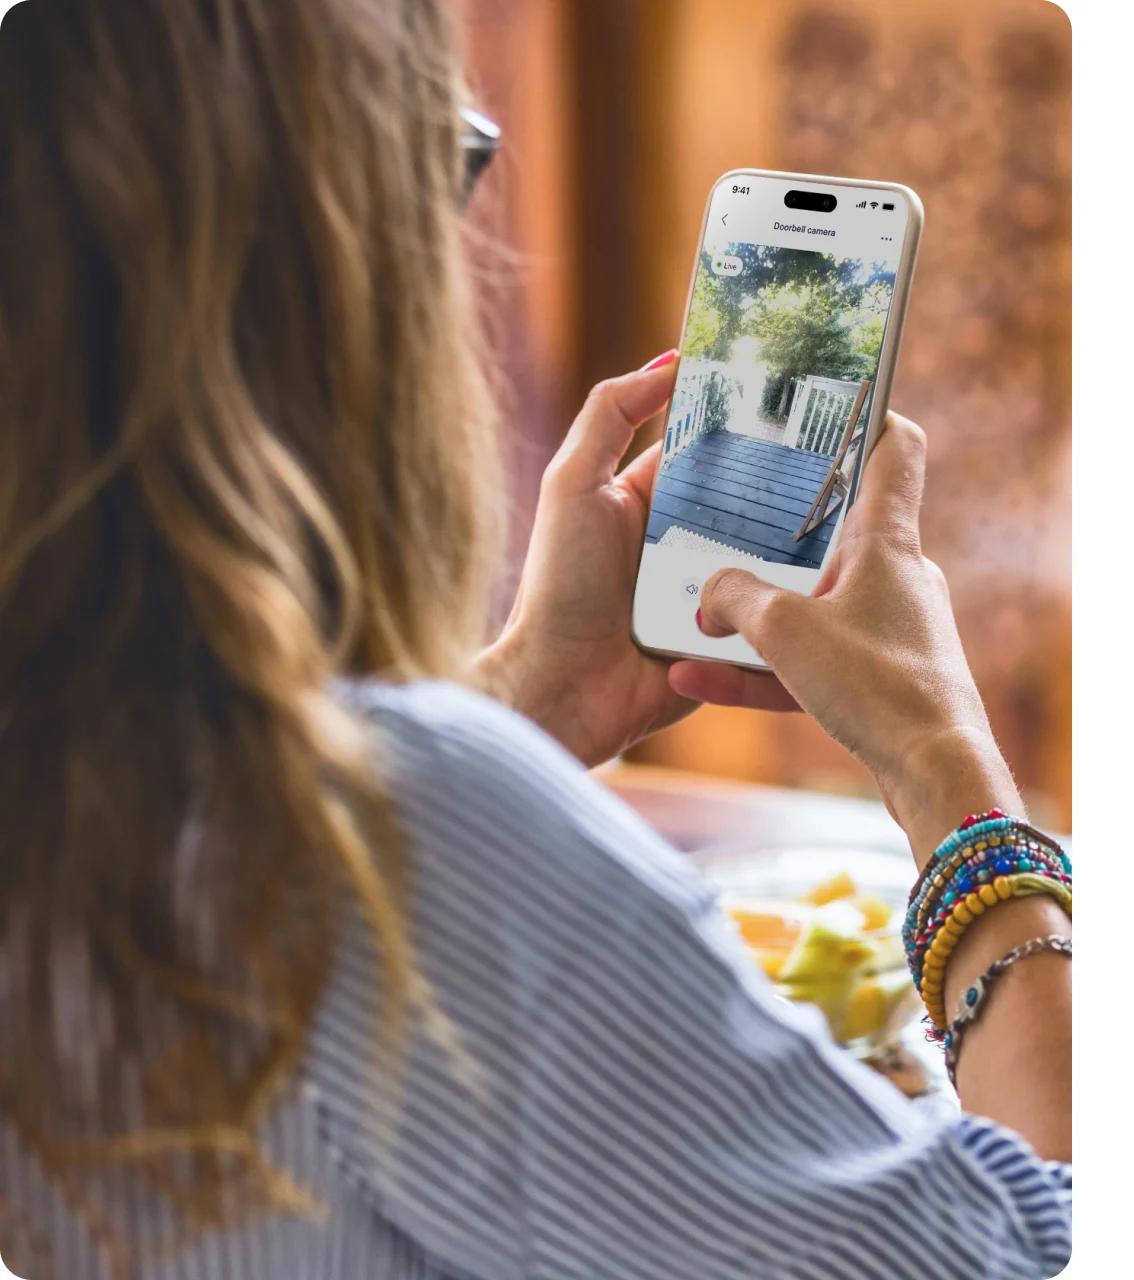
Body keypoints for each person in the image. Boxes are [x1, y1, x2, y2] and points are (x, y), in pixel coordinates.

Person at [0, 2, 1070, 1278]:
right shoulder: (404, 846)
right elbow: (1035, 1249)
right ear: (325, 263)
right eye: (442, 160)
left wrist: (523, 705)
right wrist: (951, 775)